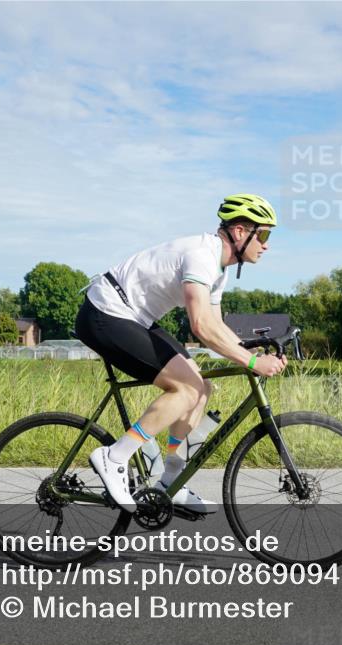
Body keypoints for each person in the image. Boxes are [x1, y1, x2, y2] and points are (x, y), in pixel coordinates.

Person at [75, 194, 287, 515]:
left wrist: (246, 351)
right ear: (241, 232)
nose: (267, 245)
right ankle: (114, 457)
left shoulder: (218, 268)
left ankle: (168, 482)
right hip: (105, 312)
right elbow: (200, 325)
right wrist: (253, 362)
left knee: (201, 387)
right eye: (265, 234)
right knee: (185, 388)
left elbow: (215, 323)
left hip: (135, 316)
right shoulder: (202, 256)